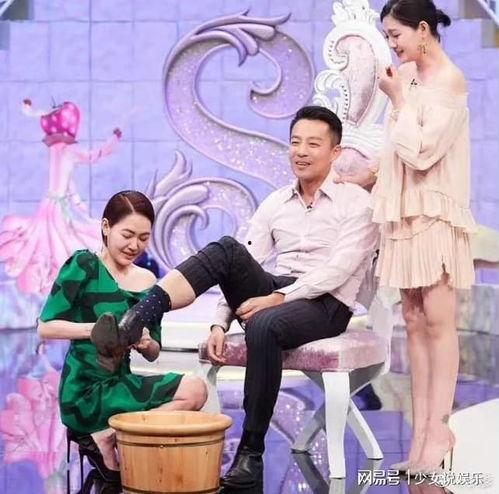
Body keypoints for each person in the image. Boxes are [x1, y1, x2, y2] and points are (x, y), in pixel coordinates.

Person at [90, 106, 379, 489]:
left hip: (327, 303)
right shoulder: (277, 202)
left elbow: (338, 271)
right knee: (227, 249)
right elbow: (242, 263)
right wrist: (219, 323)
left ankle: (250, 455)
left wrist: (278, 297)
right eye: (295, 142)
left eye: (313, 144)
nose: (301, 151)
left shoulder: (357, 203)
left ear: (335, 151)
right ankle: (138, 318)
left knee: (265, 324)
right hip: (279, 291)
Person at [335, 0, 475, 474]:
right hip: (404, 212)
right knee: (413, 320)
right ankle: (420, 438)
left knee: (438, 321)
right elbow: (397, 149)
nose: (391, 45)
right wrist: (369, 176)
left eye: (395, 35)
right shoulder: (410, 75)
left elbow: (421, 152)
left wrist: (397, 99)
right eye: (387, 36)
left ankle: (441, 429)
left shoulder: (449, 81)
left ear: (423, 30)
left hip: (434, 212)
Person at [37, 190, 207, 484]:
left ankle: (110, 436)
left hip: (120, 383)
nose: (134, 245)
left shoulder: (148, 281)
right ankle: (107, 436)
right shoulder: (84, 265)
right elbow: (46, 326)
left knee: (196, 391)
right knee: (189, 394)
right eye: (127, 235)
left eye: (143, 238)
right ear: (106, 227)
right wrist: (96, 330)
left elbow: (154, 351)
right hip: (84, 392)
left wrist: (147, 343)